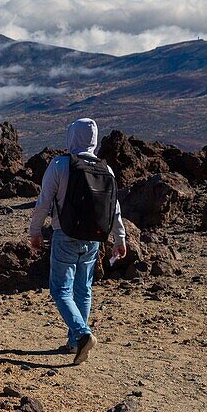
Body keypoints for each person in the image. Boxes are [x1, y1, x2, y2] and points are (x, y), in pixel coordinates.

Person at [29, 118, 126, 364]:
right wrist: (119, 238)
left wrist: (35, 231)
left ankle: (82, 334)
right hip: (94, 238)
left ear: (72, 137)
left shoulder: (60, 165)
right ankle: (75, 343)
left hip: (66, 235)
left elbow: (43, 202)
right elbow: (113, 209)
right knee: (83, 290)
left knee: (61, 290)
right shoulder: (107, 170)